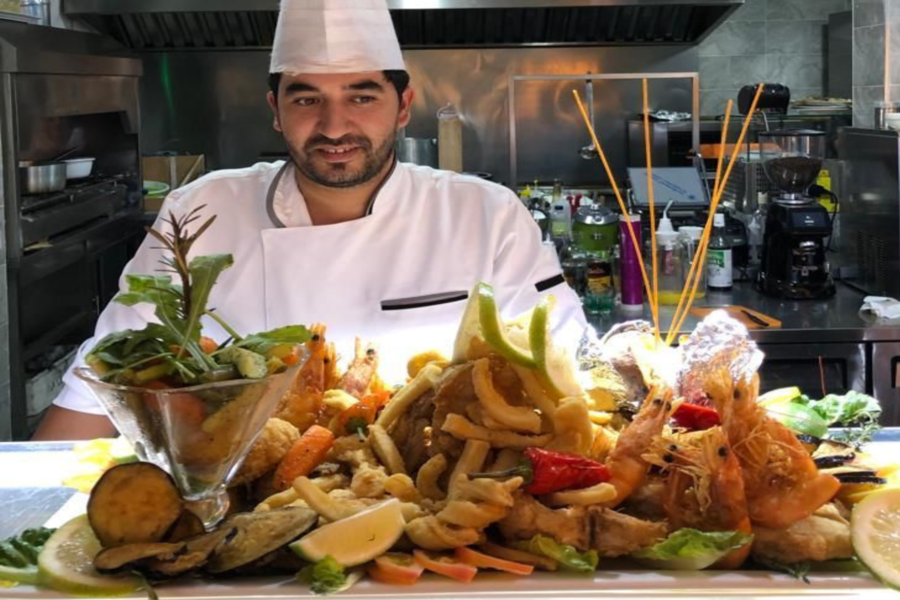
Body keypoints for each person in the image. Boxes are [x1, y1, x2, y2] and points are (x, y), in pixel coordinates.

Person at [32, 0, 586, 441]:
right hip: (230, 490)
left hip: (426, 486)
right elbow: (105, 383)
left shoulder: (487, 214)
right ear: (275, 110)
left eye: (361, 97)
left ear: (403, 106)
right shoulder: (202, 210)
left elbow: (564, 379)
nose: (334, 126)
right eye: (306, 100)